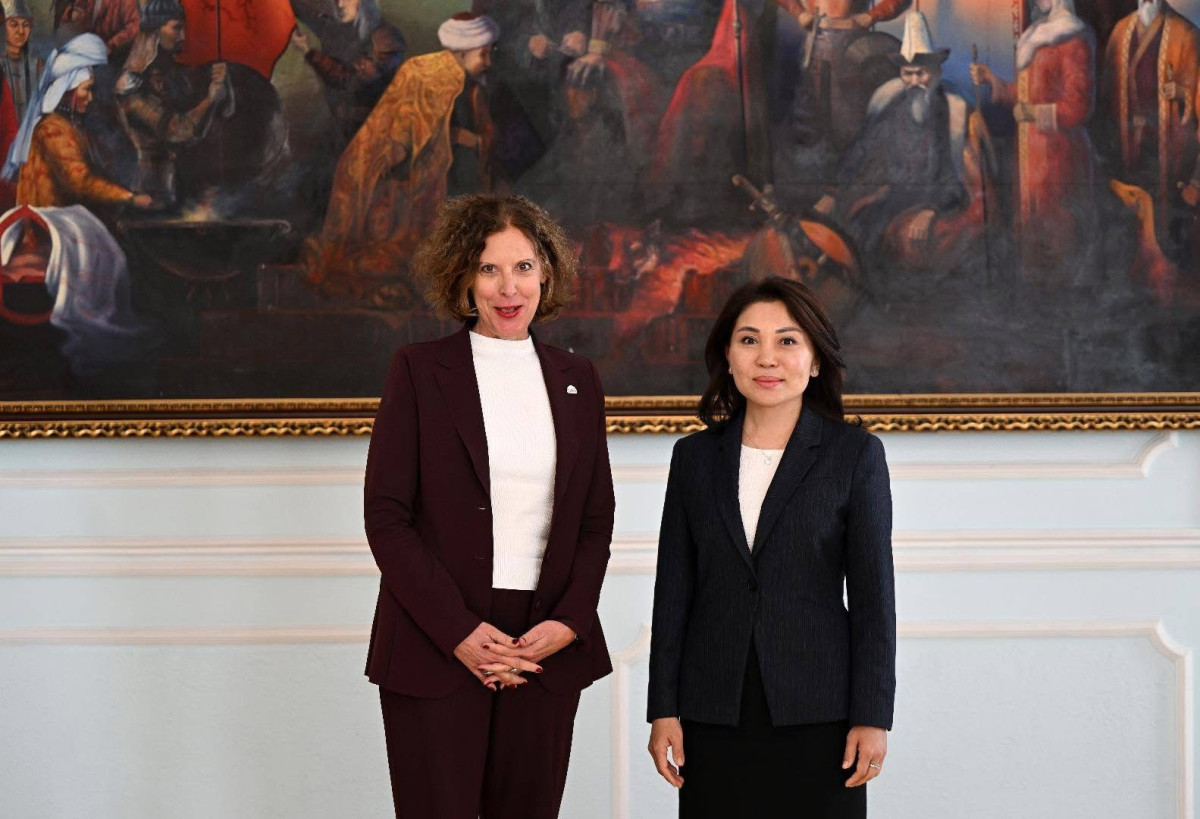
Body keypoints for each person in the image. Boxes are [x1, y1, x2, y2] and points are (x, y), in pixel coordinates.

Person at [364, 193, 615, 819]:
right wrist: (458, 631)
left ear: (546, 272)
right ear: (462, 277)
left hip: (544, 643)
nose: (509, 288)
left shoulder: (578, 377)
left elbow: (594, 520)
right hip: (435, 638)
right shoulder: (418, 370)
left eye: (523, 267)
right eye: (488, 268)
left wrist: (571, 622)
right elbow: (387, 518)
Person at [647, 276, 895, 818]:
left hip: (821, 712)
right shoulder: (694, 459)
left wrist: (873, 715)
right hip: (713, 710)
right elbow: (673, 593)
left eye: (787, 341)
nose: (767, 358)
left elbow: (874, 601)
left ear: (815, 360)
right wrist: (663, 708)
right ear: (728, 357)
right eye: (749, 340)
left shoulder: (855, 455)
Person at [302, 12, 499, 291]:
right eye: (483, 54)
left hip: (449, 179)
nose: (488, 62)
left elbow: (479, 136)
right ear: (463, 53)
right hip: (402, 174)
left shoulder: (473, 88)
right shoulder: (419, 71)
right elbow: (404, 128)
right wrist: (449, 138)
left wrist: (473, 140)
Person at [813, 11, 970, 269]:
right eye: (908, 74)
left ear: (936, 73)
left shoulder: (946, 115)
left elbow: (952, 179)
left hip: (930, 198)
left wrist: (931, 209)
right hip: (893, 197)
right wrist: (833, 193)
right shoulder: (892, 108)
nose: (914, 82)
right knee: (854, 229)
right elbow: (860, 152)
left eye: (921, 74)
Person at [969, 0, 1096, 272]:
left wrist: (1035, 114)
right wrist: (993, 80)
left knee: (1058, 230)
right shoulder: (1036, 36)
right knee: (1032, 226)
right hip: (1030, 152)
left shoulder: (1073, 39)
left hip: (1059, 154)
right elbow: (1026, 94)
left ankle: (1062, 290)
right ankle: (1034, 287)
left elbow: (1079, 108)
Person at [1100, 0, 1200, 252]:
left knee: (1166, 230)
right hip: (1127, 146)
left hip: (1168, 150)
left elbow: (1195, 96)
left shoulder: (1185, 34)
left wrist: (1182, 94)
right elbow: (1106, 96)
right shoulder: (1120, 32)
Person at [114, 0, 234, 208]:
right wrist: (210, 100)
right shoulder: (131, 85)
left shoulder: (177, 75)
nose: (183, 36)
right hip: (150, 195)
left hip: (185, 192)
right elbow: (177, 130)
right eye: (176, 28)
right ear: (154, 32)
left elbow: (221, 115)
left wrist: (223, 86)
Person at [289, 0, 406, 146]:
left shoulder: (386, 39)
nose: (340, 4)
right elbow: (304, 10)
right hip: (341, 126)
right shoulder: (333, 27)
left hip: (375, 133)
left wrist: (308, 51)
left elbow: (350, 80)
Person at [2, 0, 42, 122]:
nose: (21, 31)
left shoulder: (38, 65)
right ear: (3, 27)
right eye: (13, 24)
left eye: (25, 25)